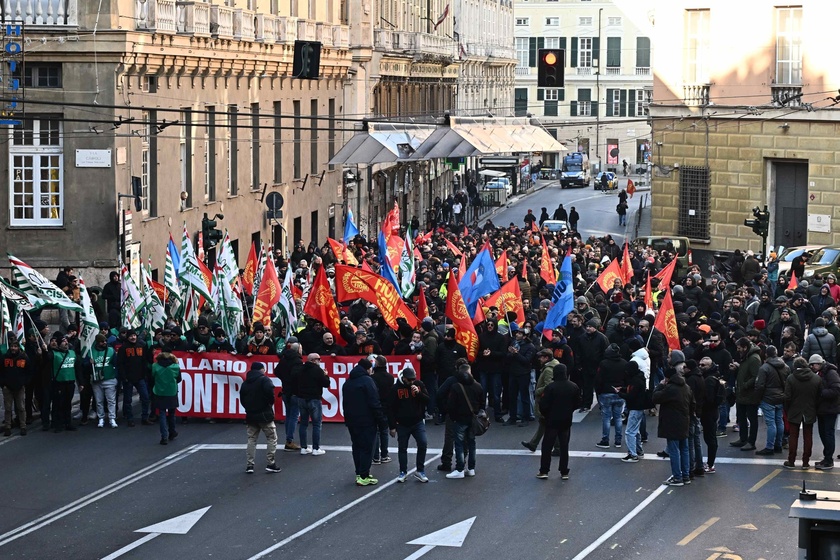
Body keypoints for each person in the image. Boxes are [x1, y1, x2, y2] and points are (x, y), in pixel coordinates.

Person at [342, 357, 385, 486]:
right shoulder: (367, 381)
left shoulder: (348, 381)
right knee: (367, 448)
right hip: (366, 420)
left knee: (356, 446)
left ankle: (359, 473)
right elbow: (374, 402)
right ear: (368, 368)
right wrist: (381, 420)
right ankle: (364, 475)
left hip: (351, 420)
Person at [536, 364, 581, 480]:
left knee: (547, 446)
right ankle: (564, 471)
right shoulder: (573, 386)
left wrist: (546, 415)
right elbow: (577, 403)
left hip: (552, 420)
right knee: (564, 446)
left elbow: (543, 405)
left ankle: (544, 470)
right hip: (566, 420)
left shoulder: (551, 387)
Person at [388, 367, 430, 483]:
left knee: (423, 443)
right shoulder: (395, 389)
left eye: (413, 380)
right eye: (409, 380)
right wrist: (392, 426)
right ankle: (403, 471)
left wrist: (419, 393)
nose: (412, 382)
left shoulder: (419, 384)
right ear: (403, 378)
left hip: (417, 422)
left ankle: (420, 470)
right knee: (402, 448)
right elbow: (390, 408)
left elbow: (427, 400)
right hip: (402, 424)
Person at [239, 362, 281, 473]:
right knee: (271, 438)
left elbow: (242, 399)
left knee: (251, 439)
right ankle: (270, 463)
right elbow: (270, 395)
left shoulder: (246, 383)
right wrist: (268, 404)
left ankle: (249, 465)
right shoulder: (265, 380)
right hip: (265, 414)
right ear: (261, 370)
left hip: (251, 414)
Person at [445, 363, 484, 479]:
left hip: (460, 419)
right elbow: (482, 404)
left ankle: (460, 468)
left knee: (459, 444)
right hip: (472, 419)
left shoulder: (456, 387)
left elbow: (451, 405)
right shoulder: (478, 386)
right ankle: (471, 468)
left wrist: (453, 417)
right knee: (471, 443)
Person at [783, 356, 821, 469]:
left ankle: (791, 460)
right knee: (808, 436)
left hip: (794, 410)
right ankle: (805, 462)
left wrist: (788, 409)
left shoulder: (791, 378)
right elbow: (818, 397)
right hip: (810, 410)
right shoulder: (816, 379)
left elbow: (787, 397)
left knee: (793, 436)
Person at [522, 349, 560, 453]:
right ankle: (533, 444)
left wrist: (537, 391)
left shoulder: (548, 370)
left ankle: (558, 448)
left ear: (546, 358)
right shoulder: (551, 366)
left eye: (541, 357)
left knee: (550, 425)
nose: (539, 359)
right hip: (549, 400)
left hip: (547, 401)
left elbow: (548, 385)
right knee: (544, 423)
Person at [754, 345, 789, 455]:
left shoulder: (764, 368)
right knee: (779, 421)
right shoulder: (785, 367)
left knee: (771, 423)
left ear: (766, 354)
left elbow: (760, 385)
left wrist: (757, 398)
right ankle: (778, 445)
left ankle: (769, 447)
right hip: (780, 397)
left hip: (768, 398)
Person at [729, 337, 762, 452]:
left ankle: (751, 441)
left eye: (739, 348)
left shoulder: (754, 359)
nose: (738, 350)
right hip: (742, 394)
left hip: (750, 394)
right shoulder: (746, 357)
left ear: (745, 347)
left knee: (752, 419)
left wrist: (744, 385)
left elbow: (755, 377)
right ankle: (743, 439)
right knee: (741, 417)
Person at [810, 354, 840, 470]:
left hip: (829, 409)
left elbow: (836, 390)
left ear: (818, 363)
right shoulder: (823, 372)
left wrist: (821, 393)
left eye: (813, 365)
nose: (812, 367)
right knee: (824, 433)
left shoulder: (831, 373)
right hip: (824, 409)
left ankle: (828, 460)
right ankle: (827, 458)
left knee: (828, 434)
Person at [595, 343, 627, 448]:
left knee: (606, 418)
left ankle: (605, 440)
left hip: (606, 392)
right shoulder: (624, 363)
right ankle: (618, 440)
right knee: (618, 417)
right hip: (619, 392)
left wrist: (598, 391)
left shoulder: (603, 363)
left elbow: (599, 379)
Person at [117, 329, 151, 426]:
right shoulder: (123, 348)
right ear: (128, 337)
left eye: (134, 336)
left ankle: (145, 417)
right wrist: (124, 377)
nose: (133, 337)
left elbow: (145, 360)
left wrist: (144, 375)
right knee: (128, 400)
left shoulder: (141, 346)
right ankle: (129, 418)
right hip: (128, 378)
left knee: (145, 398)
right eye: (131, 336)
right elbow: (120, 364)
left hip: (140, 377)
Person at [297, 353, 330, 456]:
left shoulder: (300, 369)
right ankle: (316, 448)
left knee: (303, 423)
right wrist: (326, 375)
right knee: (316, 424)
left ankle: (303, 447)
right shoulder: (317, 370)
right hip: (314, 399)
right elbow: (326, 384)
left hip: (302, 398)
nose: (320, 361)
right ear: (314, 360)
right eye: (319, 359)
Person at [87, 334, 119, 428]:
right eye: (102, 341)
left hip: (110, 378)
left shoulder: (111, 350)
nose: (104, 343)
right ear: (97, 342)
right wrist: (89, 363)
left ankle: (112, 418)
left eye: (105, 341)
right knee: (99, 400)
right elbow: (84, 365)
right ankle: (101, 418)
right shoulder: (91, 352)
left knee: (111, 400)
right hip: (97, 380)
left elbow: (116, 363)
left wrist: (116, 376)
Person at [618, 361, 647, 462]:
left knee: (629, 432)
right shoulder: (639, 379)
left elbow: (631, 396)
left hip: (635, 408)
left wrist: (620, 393)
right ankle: (638, 450)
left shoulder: (635, 381)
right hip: (639, 408)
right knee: (635, 431)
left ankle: (632, 454)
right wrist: (623, 389)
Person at [276, 340, 302, 451]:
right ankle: (289, 440)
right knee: (294, 416)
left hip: (285, 391)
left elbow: (276, 371)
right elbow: (296, 375)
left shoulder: (283, 359)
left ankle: (288, 438)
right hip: (294, 392)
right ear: (298, 350)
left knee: (288, 415)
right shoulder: (297, 361)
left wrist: (284, 379)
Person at [2, 338, 31, 436]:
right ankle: (7, 427)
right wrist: (3, 385)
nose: (13, 348)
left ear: (18, 347)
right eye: (12, 346)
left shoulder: (24, 357)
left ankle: (23, 426)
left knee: (21, 408)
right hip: (7, 387)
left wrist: (24, 383)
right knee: (8, 408)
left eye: (15, 346)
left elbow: (29, 372)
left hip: (20, 387)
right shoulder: (4, 357)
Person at [152, 351, 182, 445]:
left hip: (159, 391)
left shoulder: (155, 366)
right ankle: (172, 431)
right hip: (171, 391)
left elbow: (152, 377)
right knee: (172, 413)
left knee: (162, 414)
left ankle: (163, 436)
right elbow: (179, 379)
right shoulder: (175, 367)